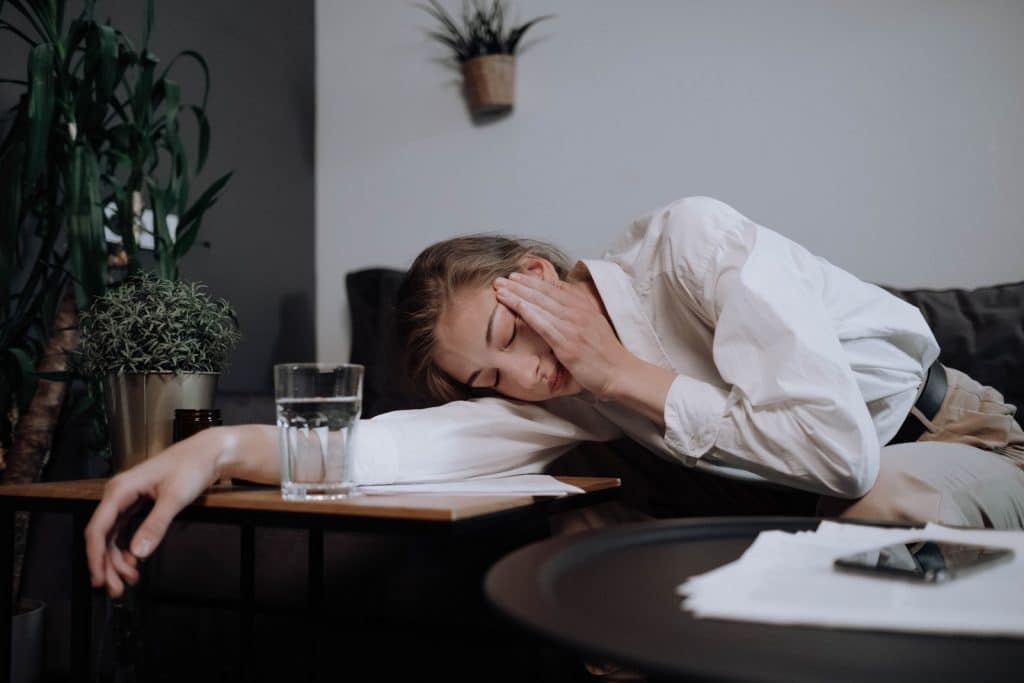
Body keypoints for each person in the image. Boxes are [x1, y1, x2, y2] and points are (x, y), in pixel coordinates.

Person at [85, 196, 1024, 598]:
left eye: (510, 337)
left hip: (954, 436)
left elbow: (841, 451)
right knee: (574, 544)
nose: (528, 378)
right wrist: (209, 449)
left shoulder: (692, 246)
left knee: (874, 501)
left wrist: (624, 376)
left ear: (534, 275)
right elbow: (396, 448)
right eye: (493, 378)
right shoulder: (553, 396)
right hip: (778, 501)